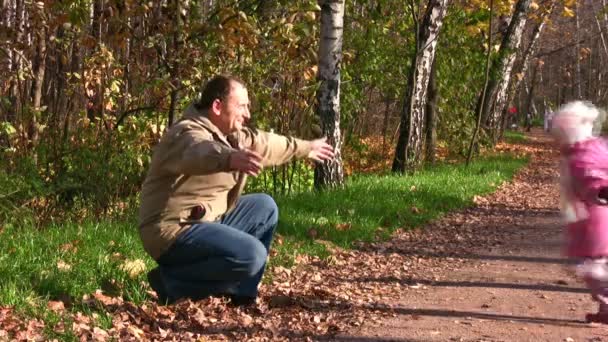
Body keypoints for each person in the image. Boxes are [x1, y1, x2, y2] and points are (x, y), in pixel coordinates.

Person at [138, 75, 335, 305]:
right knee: (252, 255)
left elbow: (267, 143)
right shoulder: (184, 134)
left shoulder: (232, 136)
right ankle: (170, 282)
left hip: (205, 220)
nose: (247, 113)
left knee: (265, 206)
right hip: (170, 230)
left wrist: (306, 148)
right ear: (217, 106)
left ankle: (242, 293)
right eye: (241, 106)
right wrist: (229, 158)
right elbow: (199, 151)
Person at [550, 101, 608, 323]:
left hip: (595, 220)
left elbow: (592, 177)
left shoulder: (581, 157)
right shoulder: (596, 146)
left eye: (558, 138)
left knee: (590, 268)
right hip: (590, 220)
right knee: (593, 266)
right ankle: (605, 308)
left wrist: (599, 191)